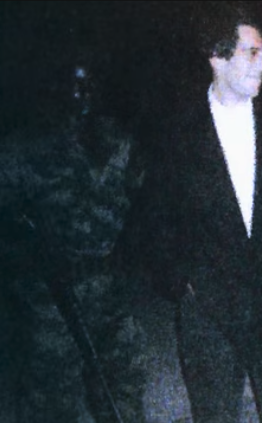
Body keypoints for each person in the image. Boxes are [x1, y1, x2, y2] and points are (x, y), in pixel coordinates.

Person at [118, 5, 262, 422]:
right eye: (252, 53)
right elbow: (153, 218)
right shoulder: (177, 132)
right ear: (217, 56)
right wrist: (182, 283)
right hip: (208, 316)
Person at [0, 59, 147, 422]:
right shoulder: (22, 150)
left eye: (88, 85)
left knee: (122, 390)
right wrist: (27, 262)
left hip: (109, 291)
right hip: (49, 300)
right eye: (72, 85)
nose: (81, 95)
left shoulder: (118, 141)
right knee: (51, 401)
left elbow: (145, 208)